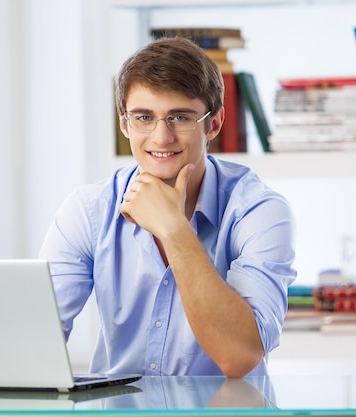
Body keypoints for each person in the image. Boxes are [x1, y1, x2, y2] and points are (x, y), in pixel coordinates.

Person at [39, 36, 296, 378]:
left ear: (214, 124)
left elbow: (239, 355)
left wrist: (173, 230)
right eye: (144, 117)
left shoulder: (259, 211)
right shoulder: (89, 210)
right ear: (124, 124)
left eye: (180, 117)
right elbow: (33, 343)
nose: (161, 137)